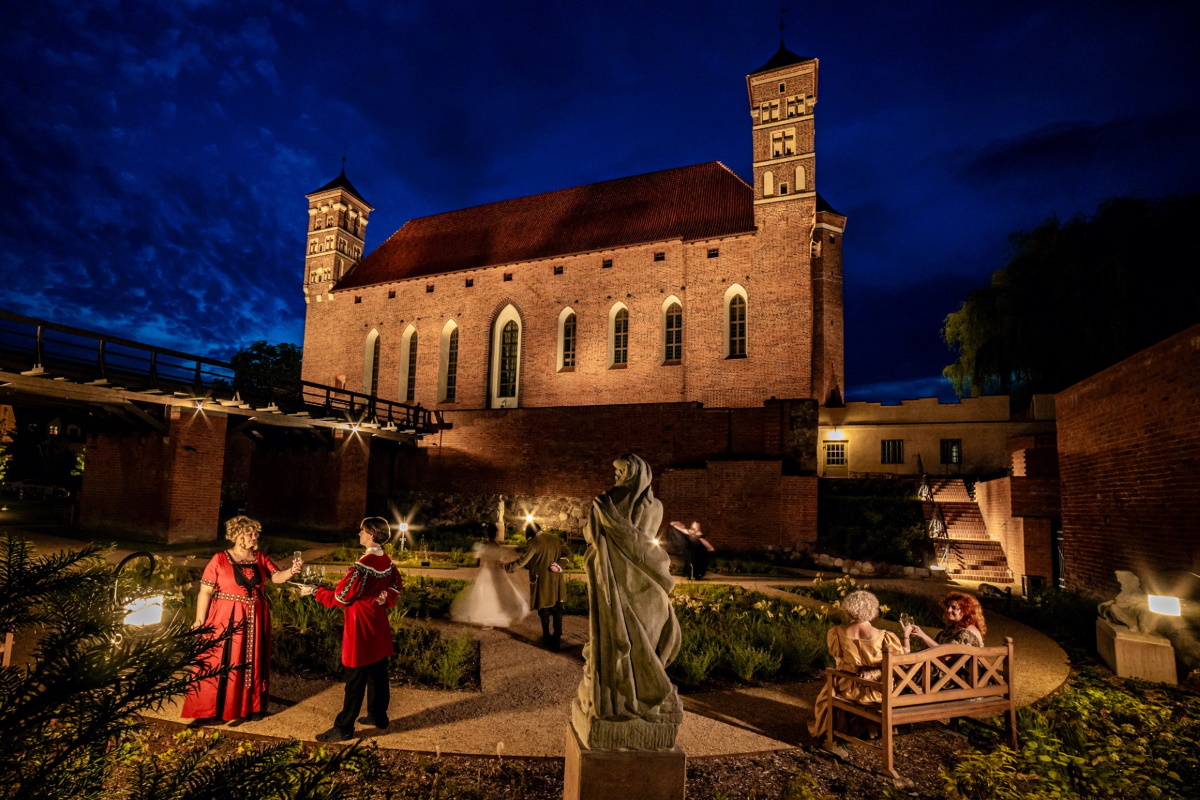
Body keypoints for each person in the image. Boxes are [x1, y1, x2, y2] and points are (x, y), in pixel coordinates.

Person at [570, 454, 682, 751]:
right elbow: (611, 539)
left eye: (621, 472)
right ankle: (632, 699)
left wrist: (610, 527)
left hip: (629, 581)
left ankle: (634, 696)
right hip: (630, 580)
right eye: (615, 471)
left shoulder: (620, 504)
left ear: (635, 473)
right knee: (630, 639)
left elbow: (608, 538)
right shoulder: (629, 503)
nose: (616, 476)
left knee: (634, 639)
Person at [182, 515, 300, 724]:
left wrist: (291, 571)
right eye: (250, 533)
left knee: (251, 659)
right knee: (220, 658)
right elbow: (205, 592)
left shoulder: (261, 558)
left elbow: (276, 577)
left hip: (255, 616)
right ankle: (213, 710)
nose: (255, 537)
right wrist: (199, 621)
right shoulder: (219, 559)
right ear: (237, 535)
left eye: (256, 533)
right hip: (225, 615)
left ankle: (250, 707)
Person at [297, 517, 402, 743]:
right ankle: (378, 715)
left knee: (355, 675)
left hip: (361, 621)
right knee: (377, 669)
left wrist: (315, 592)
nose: (359, 534)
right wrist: (382, 597)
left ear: (372, 534)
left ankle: (344, 727)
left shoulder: (362, 566)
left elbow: (342, 597)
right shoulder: (386, 561)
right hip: (377, 619)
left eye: (362, 531)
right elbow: (395, 586)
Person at [807, 590, 905, 745]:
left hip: (849, 687)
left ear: (849, 609)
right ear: (873, 610)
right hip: (879, 690)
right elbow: (900, 662)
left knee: (831, 684)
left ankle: (838, 729)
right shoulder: (885, 636)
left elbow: (836, 656)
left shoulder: (837, 633)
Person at [505, 523, 569, 648]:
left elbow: (523, 561)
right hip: (557, 580)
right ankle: (557, 637)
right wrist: (559, 565)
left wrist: (507, 567)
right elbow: (567, 552)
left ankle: (546, 636)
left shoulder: (534, 542)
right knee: (557, 609)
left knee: (544, 609)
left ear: (528, 533)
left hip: (542, 581)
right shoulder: (556, 539)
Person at [450, 531, 530, 628]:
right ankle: (501, 614)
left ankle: (487, 619)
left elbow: (480, 562)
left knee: (485, 595)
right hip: (497, 572)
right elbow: (501, 561)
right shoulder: (498, 547)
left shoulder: (484, 547)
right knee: (499, 594)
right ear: (496, 534)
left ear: (487, 536)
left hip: (487, 572)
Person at [904, 591, 987, 650]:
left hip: (958, 674)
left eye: (954, 608)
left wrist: (921, 635)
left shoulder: (967, 633)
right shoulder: (951, 628)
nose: (949, 610)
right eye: (948, 607)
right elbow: (933, 647)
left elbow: (946, 656)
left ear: (966, 611)